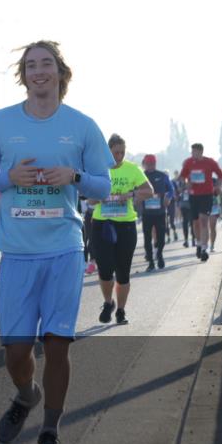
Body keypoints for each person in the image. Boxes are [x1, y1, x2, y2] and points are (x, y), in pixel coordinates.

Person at [0, 40, 112, 444]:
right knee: (15, 351)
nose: (39, 71)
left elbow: (104, 185)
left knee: (57, 344)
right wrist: (9, 176)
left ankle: (50, 432)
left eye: (46, 64)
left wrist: (74, 174)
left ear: (60, 72)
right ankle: (26, 394)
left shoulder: (82, 125)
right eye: (31, 65)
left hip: (64, 249)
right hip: (16, 252)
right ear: (24, 75)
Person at [90, 135, 152, 325]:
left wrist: (131, 194)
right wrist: (100, 196)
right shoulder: (98, 169)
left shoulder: (132, 169)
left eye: (122, 152)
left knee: (123, 271)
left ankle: (121, 311)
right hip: (102, 224)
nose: (119, 156)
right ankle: (108, 303)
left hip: (125, 225)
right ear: (108, 151)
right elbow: (89, 199)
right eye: (116, 152)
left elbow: (149, 191)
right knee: (105, 269)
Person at [179, 143, 222, 262]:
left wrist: (218, 186)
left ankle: (204, 249)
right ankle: (198, 243)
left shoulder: (210, 162)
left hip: (206, 195)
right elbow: (182, 177)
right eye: (192, 152)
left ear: (201, 152)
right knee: (195, 222)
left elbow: (220, 175)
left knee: (204, 220)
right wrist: (186, 184)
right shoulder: (188, 162)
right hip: (193, 196)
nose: (193, 154)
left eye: (195, 152)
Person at [140, 155, 174, 271]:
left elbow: (171, 189)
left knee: (161, 237)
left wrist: (168, 197)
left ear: (155, 163)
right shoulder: (141, 176)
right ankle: (150, 261)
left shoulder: (162, 175)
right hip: (147, 213)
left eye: (153, 163)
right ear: (145, 164)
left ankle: (159, 254)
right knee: (147, 238)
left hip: (160, 213)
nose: (151, 166)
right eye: (148, 163)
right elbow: (134, 189)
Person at [166, 171, 179, 243]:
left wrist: (175, 197)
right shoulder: (161, 183)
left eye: (167, 175)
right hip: (164, 204)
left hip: (172, 203)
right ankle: (168, 237)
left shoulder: (172, 182)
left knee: (171, 221)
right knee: (166, 222)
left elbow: (177, 191)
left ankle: (174, 232)